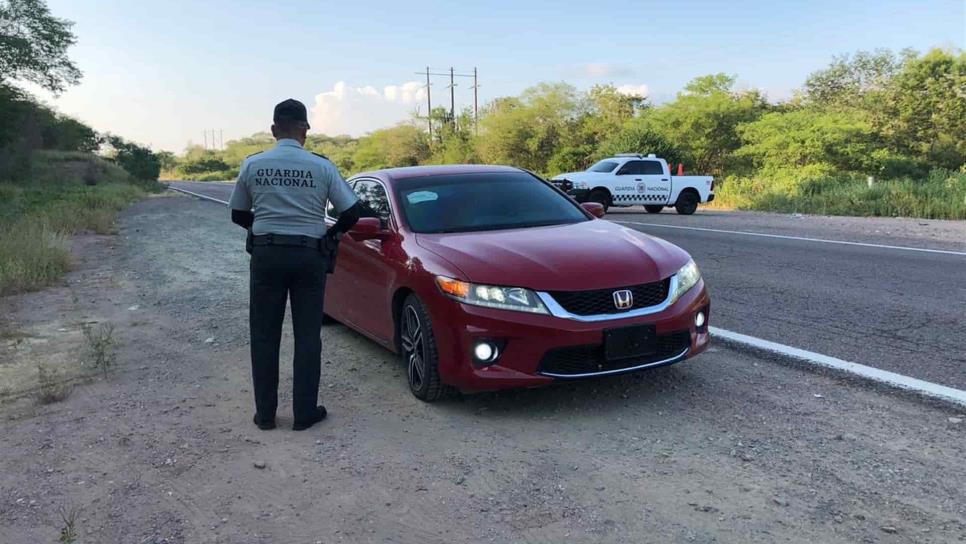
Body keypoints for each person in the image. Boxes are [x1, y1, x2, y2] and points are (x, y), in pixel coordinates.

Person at [228, 99, 360, 431]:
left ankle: (266, 415)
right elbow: (352, 212)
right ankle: (304, 413)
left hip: (267, 256)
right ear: (305, 131)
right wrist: (333, 236)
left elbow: (238, 213)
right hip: (309, 257)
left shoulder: (253, 164)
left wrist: (258, 229)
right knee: (307, 336)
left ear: (273, 130)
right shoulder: (322, 167)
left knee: (264, 335)